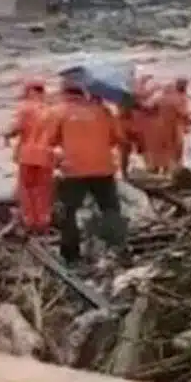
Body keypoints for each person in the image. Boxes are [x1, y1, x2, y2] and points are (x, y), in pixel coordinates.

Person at [46, 84, 127, 263]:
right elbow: (118, 138)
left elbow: (50, 140)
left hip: (74, 170)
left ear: (65, 94)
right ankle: (118, 248)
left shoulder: (60, 112)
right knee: (110, 208)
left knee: (69, 212)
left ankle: (71, 255)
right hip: (103, 167)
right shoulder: (104, 111)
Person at [3, 78, 54, 234]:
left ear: (29, 92)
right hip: (46, 155)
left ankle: (30, 221)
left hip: (27, 155)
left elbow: (15, 129)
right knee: (43, 190)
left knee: (27, 189)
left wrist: (6, 135)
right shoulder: (51, 110)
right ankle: (43, 221)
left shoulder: (25, 108)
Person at [145, 77, 191, 175]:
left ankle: (159, 169)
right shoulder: (179, 98)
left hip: (160, 126)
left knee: (162, 150)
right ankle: (173, 171)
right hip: (174, 127)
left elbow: (148, 109)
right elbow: (183, 114)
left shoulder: (159, 99)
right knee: (176, 150)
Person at [118, 74, 158, 175]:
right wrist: (154, 89)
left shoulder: (118, 92)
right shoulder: (130, 94)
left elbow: (140, 97)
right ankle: (150, 169)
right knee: (143, 148)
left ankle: (124, 173)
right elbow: (142, 99)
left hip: (123, 125)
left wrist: (144, 80)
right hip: (134, 125)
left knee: (125, 152)